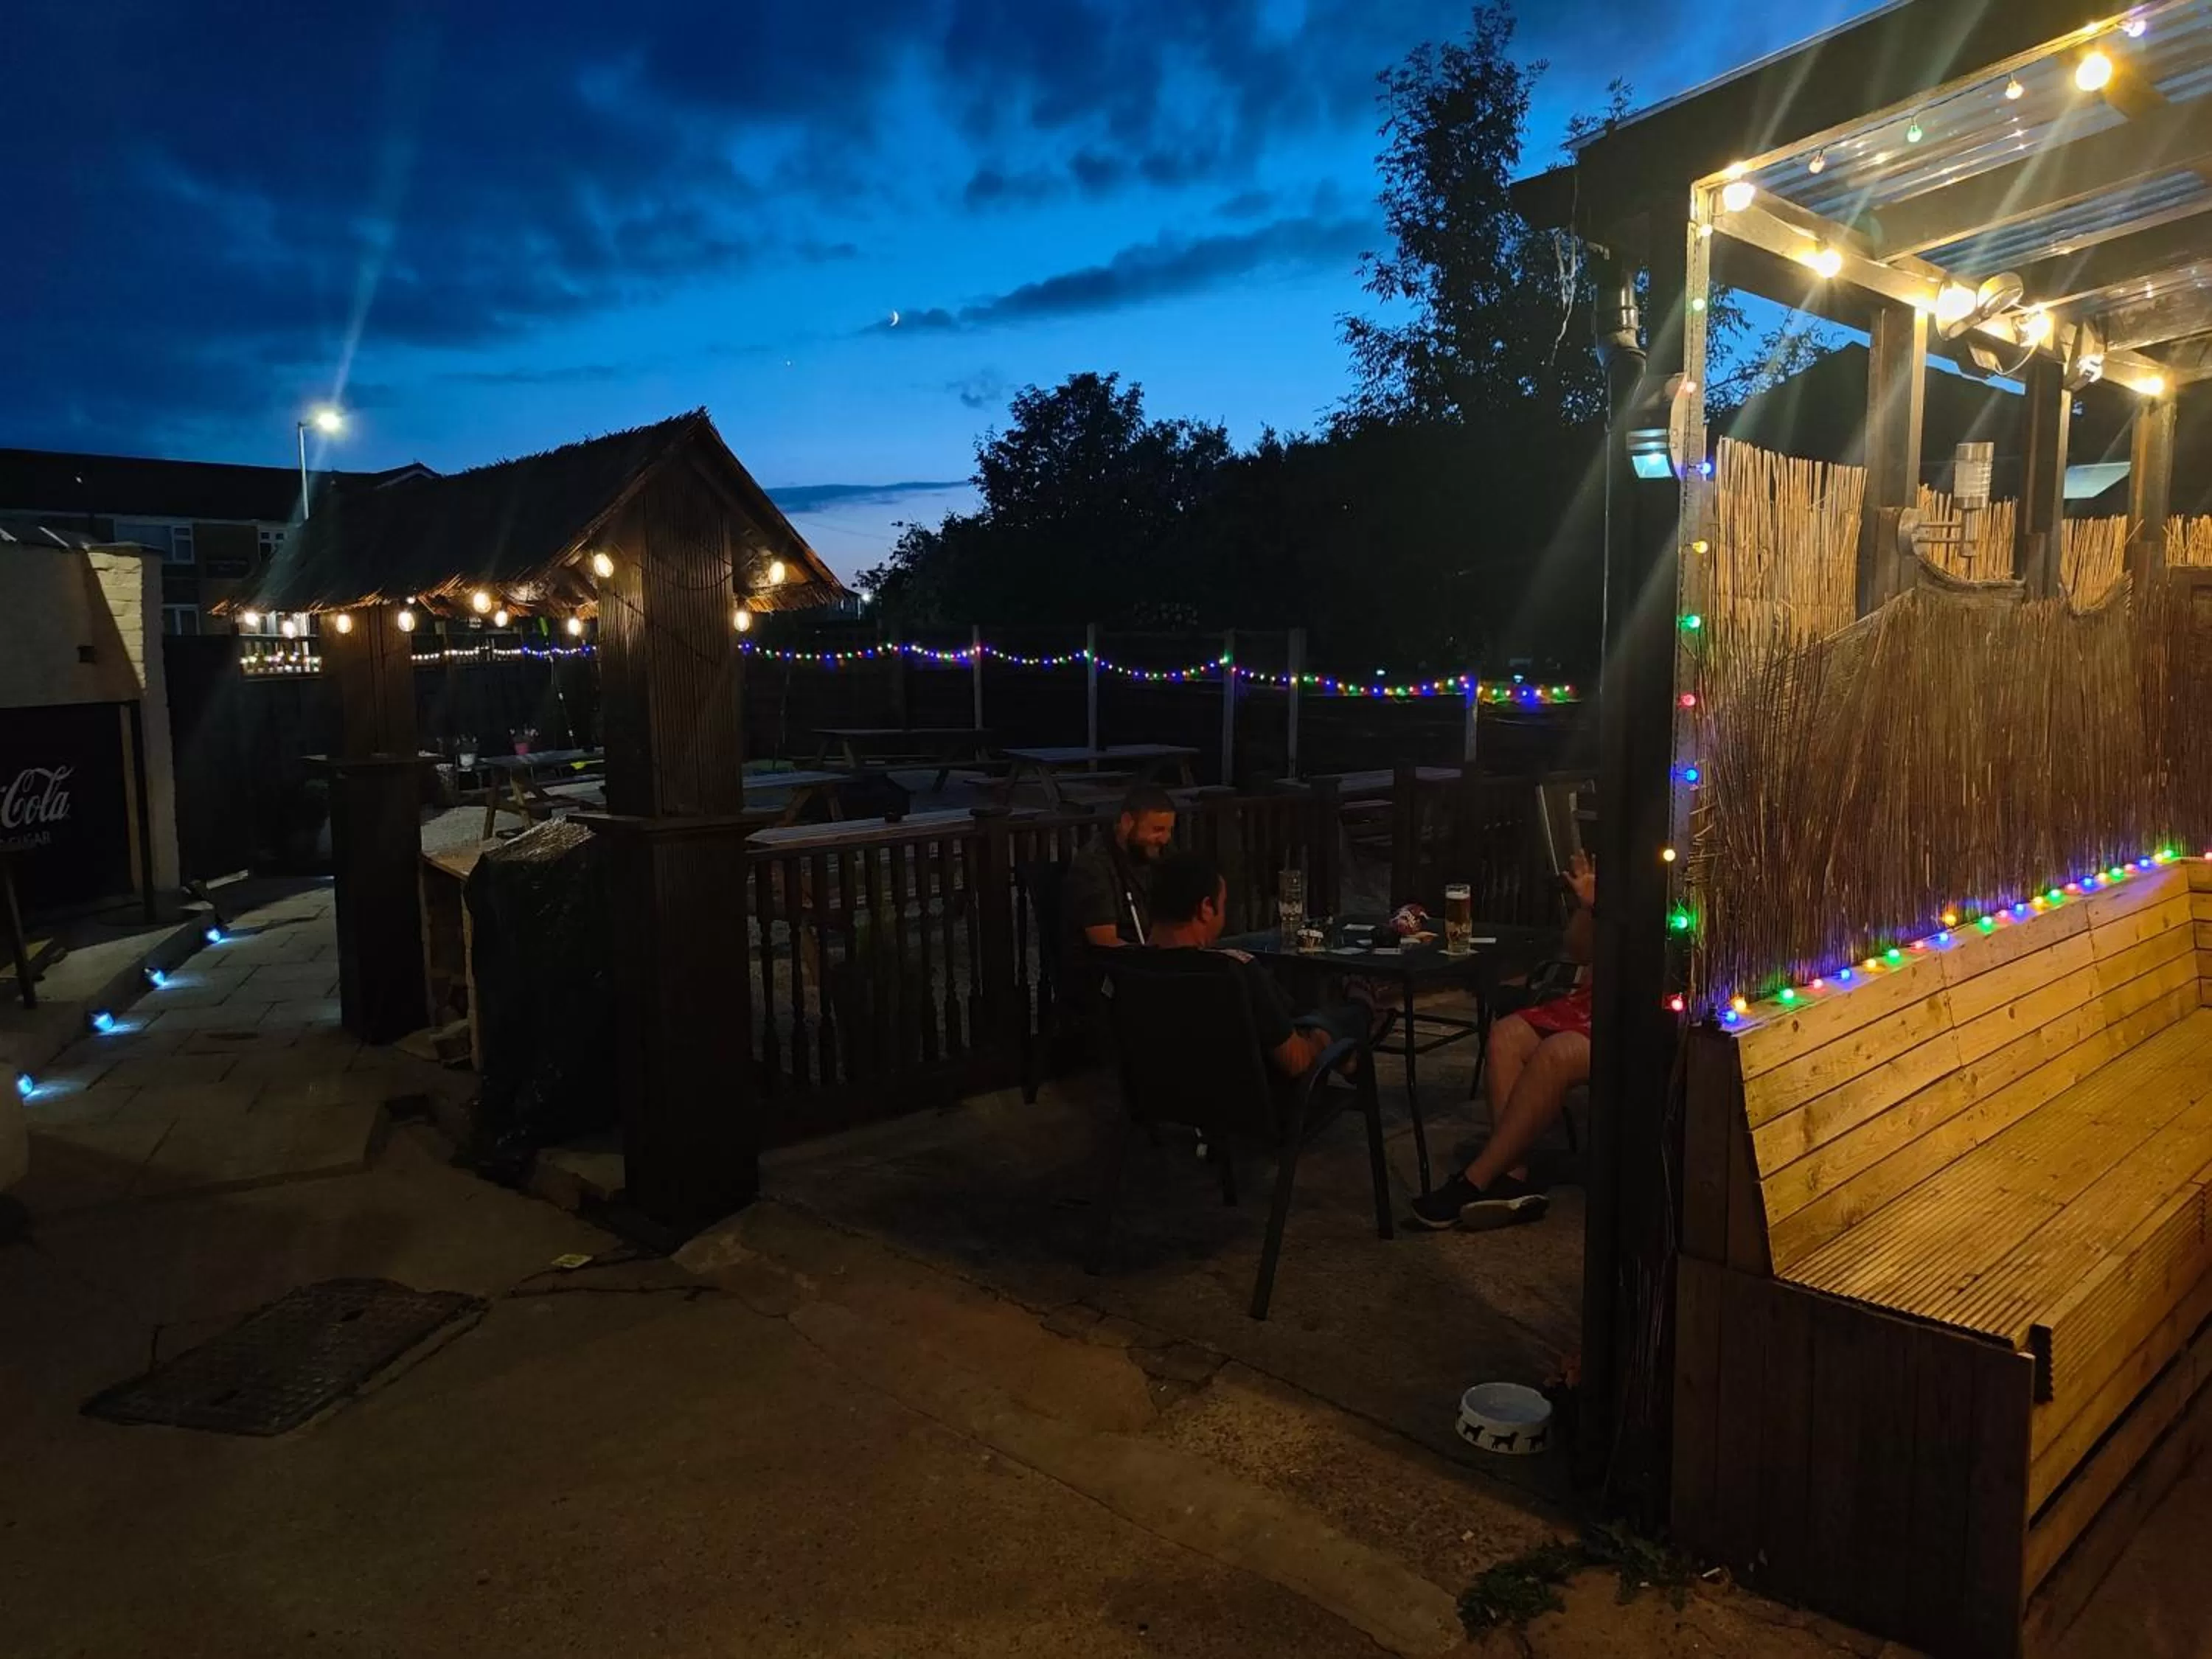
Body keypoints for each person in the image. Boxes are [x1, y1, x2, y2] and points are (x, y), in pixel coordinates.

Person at [1410, 850, 1598, 1231]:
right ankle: (1512, 1176)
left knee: (1555, 1053)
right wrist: (1588, 907)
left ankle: (1476, 1179)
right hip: (1594, 1001)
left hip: (1653, 1010)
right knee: (1507, 1034)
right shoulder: (1619, 870)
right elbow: (1580, 952)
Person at [1146, 851, 1366, 1079]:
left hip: (1166, 1100)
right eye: (1223, 904)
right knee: (1347, 1018)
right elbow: (1295, 1063)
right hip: (1246, 1107)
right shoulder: (1235, 971)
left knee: (1315, 1017)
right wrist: (1322, 1041)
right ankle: (1362, 1010)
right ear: (1206, 908)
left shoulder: (1125, 967)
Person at [1062, 785, 1177, 950]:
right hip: (1109, 965)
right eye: (1158, 830)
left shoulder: (1163, 853)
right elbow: (1104, 941)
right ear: (1127, 822)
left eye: (1169, 830)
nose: (1165, 839)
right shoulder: (1094, 864)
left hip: (1153, 955)